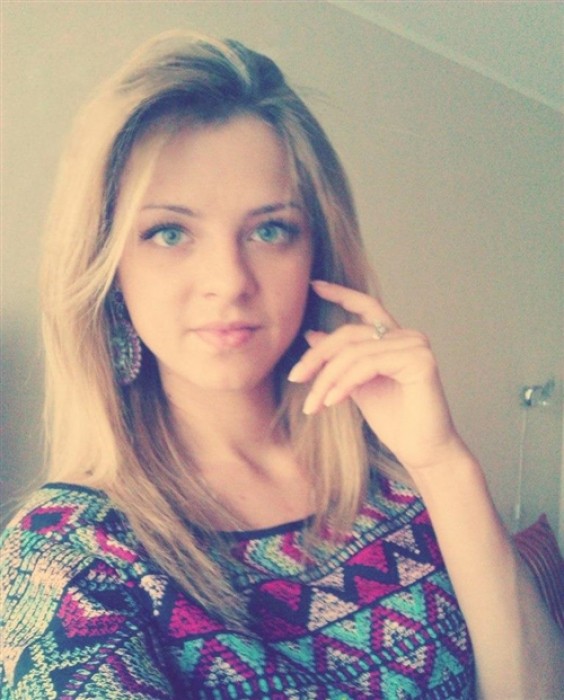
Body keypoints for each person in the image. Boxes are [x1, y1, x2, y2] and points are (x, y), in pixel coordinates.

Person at [0, 30, 562, 700]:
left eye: (270, 230)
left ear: (316, 255)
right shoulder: (69, 558)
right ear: (109, 271)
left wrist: (442, 462)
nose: (229, 281)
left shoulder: (398, 484)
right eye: (169, 233)